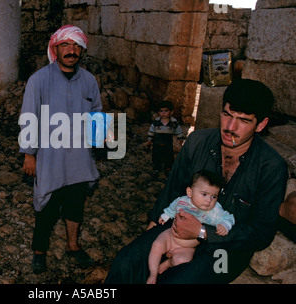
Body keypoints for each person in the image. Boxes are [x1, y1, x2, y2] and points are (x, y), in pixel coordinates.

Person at [105, 79, 288, 284]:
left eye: (243, 121)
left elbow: (260, 233)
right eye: (227, 115)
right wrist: (151, 232)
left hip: (226, 249)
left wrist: (202, 232)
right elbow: (173, 190)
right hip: (177, 229)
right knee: (125, 263)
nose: (230, 127)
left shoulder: (271, 167)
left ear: (261, 124)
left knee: (180, 281)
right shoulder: (197, 141)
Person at [19, 25, 102, 274]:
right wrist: (29, 154)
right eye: (66, 45)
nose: (71, 51)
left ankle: (73, 246)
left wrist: (100, 140)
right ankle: (39, 252)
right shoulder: (39, 79)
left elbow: (96, 111)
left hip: (79, 157)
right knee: (47, 207)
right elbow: (29, 117)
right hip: (50, 157)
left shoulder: (89, 81)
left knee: (76, 203)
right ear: (56, 48)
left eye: (77, 46)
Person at [147, 170, 234, 284]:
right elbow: (172, 208)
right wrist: (166, 215)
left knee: (183, 261)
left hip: (187, 247)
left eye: (214, 196)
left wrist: (224, 225)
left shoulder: (214, 211)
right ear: (190, 192)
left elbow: (228, 217)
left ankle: (169, 263)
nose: (208, 200)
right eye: (204, 194)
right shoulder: (182, 201)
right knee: (156, 245)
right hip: (170, 236)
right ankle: (152, 274)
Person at [145, 100, 184, 177]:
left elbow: (178, 131)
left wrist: (180, 139)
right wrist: (149, 139)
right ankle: (156, 168)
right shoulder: (156, 122)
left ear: (171, 112)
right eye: (161, 111)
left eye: (166, 111)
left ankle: (168, 168)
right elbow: (151, 131)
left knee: (168, 156)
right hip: (157, 143)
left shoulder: (173, 123)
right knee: (156, 156)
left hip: (168, 143)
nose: (163, 113)